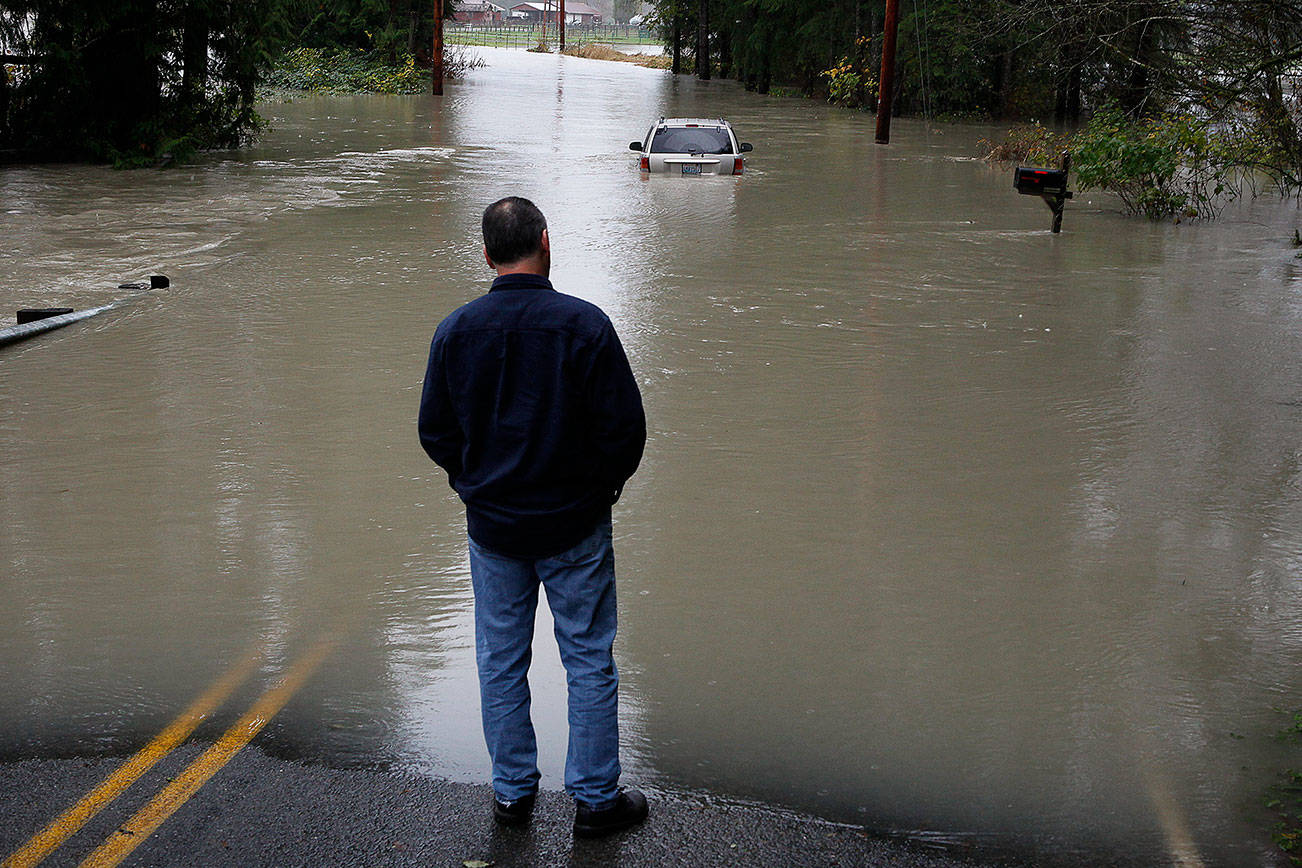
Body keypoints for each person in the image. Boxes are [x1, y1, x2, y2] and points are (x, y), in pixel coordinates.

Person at [418, 196, 649, 838]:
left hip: (495, 530)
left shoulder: (456, 331)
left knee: (499, 659)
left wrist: (474, 486)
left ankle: (513, 795)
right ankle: (597, 801)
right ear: (547, 242)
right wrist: (600, 492)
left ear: (486, 254)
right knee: (588, 659)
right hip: (575, 524)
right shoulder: (586, 326)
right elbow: (625, 431)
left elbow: (435, 431)